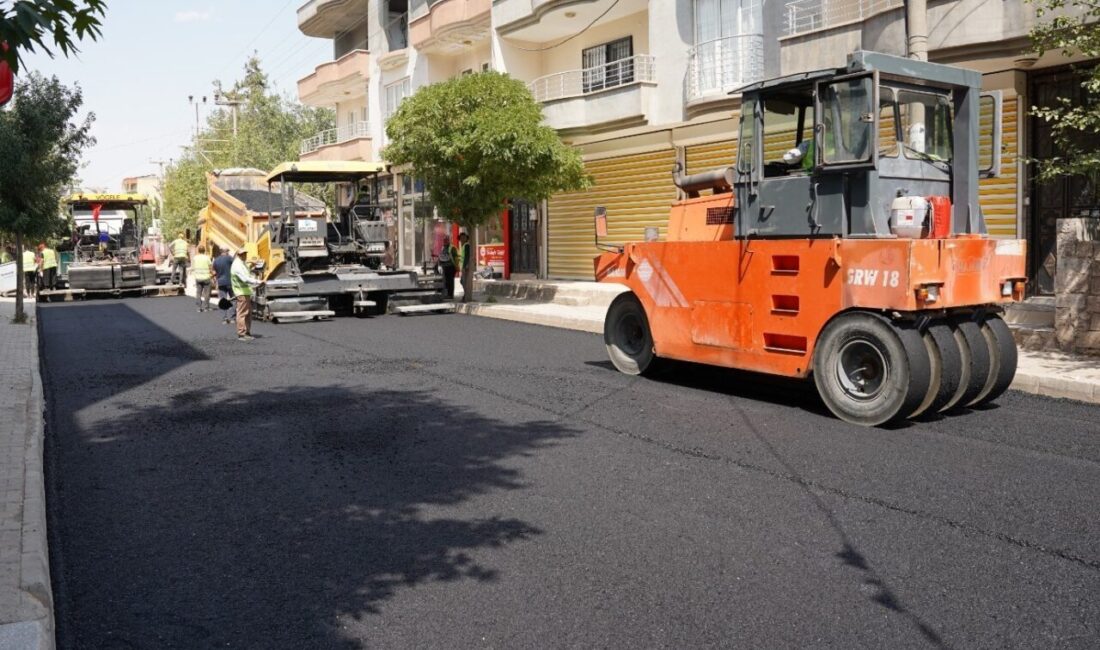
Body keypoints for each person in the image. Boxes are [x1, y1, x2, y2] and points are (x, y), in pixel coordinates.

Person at [230, 246, 263, 341]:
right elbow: (245, 278)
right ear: (239, 255)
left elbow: (246, 271)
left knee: (248, 313)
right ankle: (241, 333)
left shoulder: (241, 264)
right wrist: (258, 282)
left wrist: (251, 265)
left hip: (246, 292)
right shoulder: (236, 265)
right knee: (242, 313)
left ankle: (247, 332)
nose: (246, 255)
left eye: (246, 254)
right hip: (241, 292)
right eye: (244, 254)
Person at [212, 245, 236, 324]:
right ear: (226, 251)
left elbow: (214, 272)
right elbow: (236, 266)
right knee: (233, 299)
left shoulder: (216, 260)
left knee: (223, 300)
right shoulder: (229, 258)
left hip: (221, 282)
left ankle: (224, 319)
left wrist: (216, 281)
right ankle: (233, 318)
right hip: (230, 282)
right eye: (228, 251)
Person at [191, 244, 213, 312]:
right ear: (204, 250)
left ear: (198, 250)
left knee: (198, 293)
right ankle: (206, 307)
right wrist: (212, 274)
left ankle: (198, 308)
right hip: (206, 278)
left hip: (198, 278)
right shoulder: (207, 258)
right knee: (207, 293)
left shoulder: (195, 258)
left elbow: (193, 267)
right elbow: (210, 267)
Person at [438, 234, 457, 299]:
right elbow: (441, 256)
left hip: (451, 267)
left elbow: (455, 258)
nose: (445, 241)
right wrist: (439, 264)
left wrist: (456, 267)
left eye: (446, 240)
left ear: (449, 240)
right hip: (444, 267)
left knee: (450, 281)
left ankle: (450, 294)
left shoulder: (452, 248)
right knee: (445, 281)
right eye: (444, 240)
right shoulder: (443, 248)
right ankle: (447, 294)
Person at [457, 231, 471, 296]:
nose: (462, 239)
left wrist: (465, 266)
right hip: (462, 266)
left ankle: (466, 295)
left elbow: (467, 257)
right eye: (461, 238)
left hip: (465, 267)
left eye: (463, 238)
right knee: (462, 281)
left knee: (463, 281)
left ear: (466, 238)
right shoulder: (463, 246)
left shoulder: (466, 245)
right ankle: (465, 294)